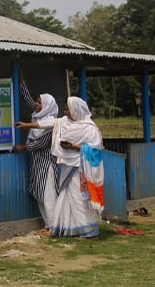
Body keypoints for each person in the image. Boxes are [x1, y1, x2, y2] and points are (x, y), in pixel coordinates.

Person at [48, 96, 105, 239]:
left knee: (79, 199)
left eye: (68, 108)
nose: (65, 111)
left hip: (80, 169)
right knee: (66, 197)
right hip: (68, 165)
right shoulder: (65, 123)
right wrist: (25, 125)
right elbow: (46, 124)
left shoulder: (90, 128)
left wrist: (74, 147)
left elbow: (96, 149)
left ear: (76, 109)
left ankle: (91, 232)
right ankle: (71, 229)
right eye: (66, 108)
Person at [14, 94, 60, 235]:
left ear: (46, 107)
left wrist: (23, 147)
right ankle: (48, 225)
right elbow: (29, 102)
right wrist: (22, 82)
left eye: (39, 102)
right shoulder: (38, 119)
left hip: (46, 165)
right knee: (40, 196)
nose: (36, 104)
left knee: (48, 197)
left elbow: (42, 143)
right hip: (37, 164)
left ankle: (54, 226)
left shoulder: (51, 124)